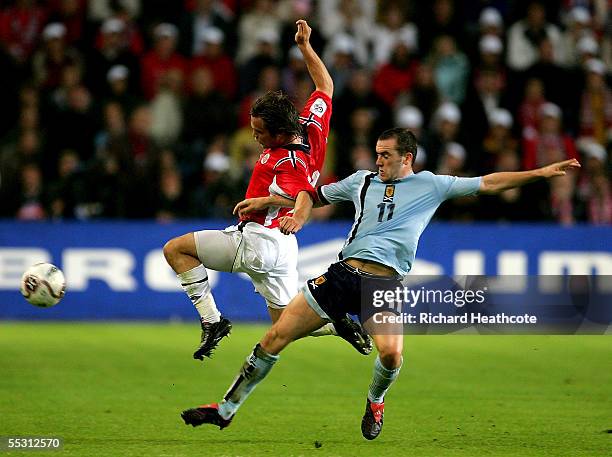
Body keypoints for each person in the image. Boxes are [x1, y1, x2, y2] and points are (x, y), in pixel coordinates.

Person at [181, 128, 581, 439]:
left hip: (383, 285)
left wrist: (541, 173)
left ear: (407, 157)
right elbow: (309, 194)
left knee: (391, 355)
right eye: (376, 153)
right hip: (340, 276)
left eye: (385, 155)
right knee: (274, 338)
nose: (378, 160)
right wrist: (272, 204)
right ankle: (226, 410)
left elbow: (489, 182)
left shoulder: (432, 185)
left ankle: (375, 401)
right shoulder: (362, 181)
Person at [163, 20, 370, 363]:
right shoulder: (310, 127)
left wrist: (266, 200)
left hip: (259, 240)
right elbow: (326, 85)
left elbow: (303, 194)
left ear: (277, 132)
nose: (254, 135)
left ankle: (212, 321)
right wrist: (305, 46)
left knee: (177, 250)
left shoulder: (285, 160)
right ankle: (337, 324)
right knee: (285, 324)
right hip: (284, 248)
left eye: (259, 131)